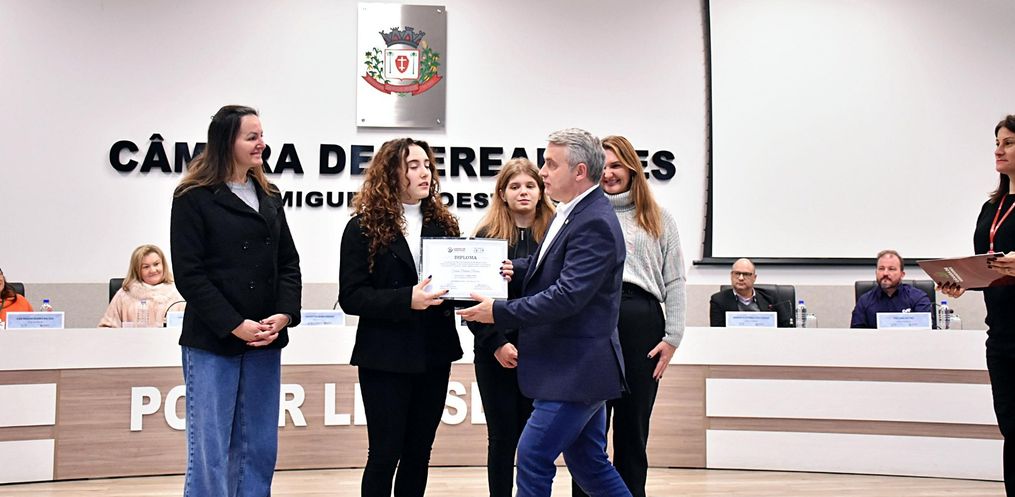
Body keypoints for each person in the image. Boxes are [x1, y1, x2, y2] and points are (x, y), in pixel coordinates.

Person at [459, 128, 632, 497]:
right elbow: (551, 267)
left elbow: (568, 296)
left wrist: (499, 312)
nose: (542, 172)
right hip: (573, 369)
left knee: (533, 455)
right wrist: (514, 268)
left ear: (579, 171)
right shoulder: (571, 212)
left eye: (551, 164)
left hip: (576, 371)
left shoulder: (594, 221)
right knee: (589, 462)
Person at [169, 105, 302, 497]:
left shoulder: (269, 195)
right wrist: (234, 324)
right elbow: (190, 275)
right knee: (209, 448)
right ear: (227, 141)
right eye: (252, 137)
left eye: (262, 136)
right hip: (214, 340)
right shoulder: (193, 197)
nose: (262, 144)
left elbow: (288, 263)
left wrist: (284, 314)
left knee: (258, 445)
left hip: (264, 340)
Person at [339, 137, 462, 497]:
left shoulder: (444, 224)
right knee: (384, 453)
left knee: (418, 453)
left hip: (434, 353)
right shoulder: (362, 227)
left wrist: (487, 282)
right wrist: (406, 299)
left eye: (427, 165)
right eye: (413, 165)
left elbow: (452, 286)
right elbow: (352, 296)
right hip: (385, 357)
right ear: (391, 173)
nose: (425, 173)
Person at [567, 135, 685, 497]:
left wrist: (673, 337)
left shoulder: (659, 217)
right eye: (604, 166)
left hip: (641, 322)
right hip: (593, 322)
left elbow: (675, 280)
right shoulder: (582, 214)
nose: (609, 173)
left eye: (617, 165)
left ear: (633, 168)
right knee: (588, 431)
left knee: (633, 430)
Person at [467, 158, 554, 497]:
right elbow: (472, 303)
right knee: (502, 437)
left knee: (537, 440)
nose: (523, 192)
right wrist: (497, 344)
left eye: (530, 185)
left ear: (541, 190)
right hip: (495, 353)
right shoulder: (486, 236)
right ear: (502, 193)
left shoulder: (555, 235)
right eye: (515, 186)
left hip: (544, 352)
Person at [940, 115, 1015, 496]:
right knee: (1011, 427)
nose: (998, 150)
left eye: (1009, 142)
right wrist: (961, 282)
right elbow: (985, 267)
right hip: (1000, 336)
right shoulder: (991, 208)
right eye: (997, 143)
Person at [98, 244, 185, 328]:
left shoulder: (179, 293)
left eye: (156, 264)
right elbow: (106, 328)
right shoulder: (124, 295)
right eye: (146, 267)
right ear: (137, 270)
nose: (153, 270)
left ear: (163, 265)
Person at [850, 249, 932, 328]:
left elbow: (927, 332)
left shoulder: (918, 298)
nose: (885, 273)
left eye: (891, 269)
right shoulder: (864, 301)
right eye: (881, 268)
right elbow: (856, 334)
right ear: (876, 272)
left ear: (902, 274)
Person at [708, 258, 793, 327]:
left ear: (754, 278)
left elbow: (786, 328)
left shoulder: (771, 298)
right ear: (731, 275)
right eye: (737, 273)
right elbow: (717, 333)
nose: (741, 278)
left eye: (746, 274)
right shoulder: (719, 300)